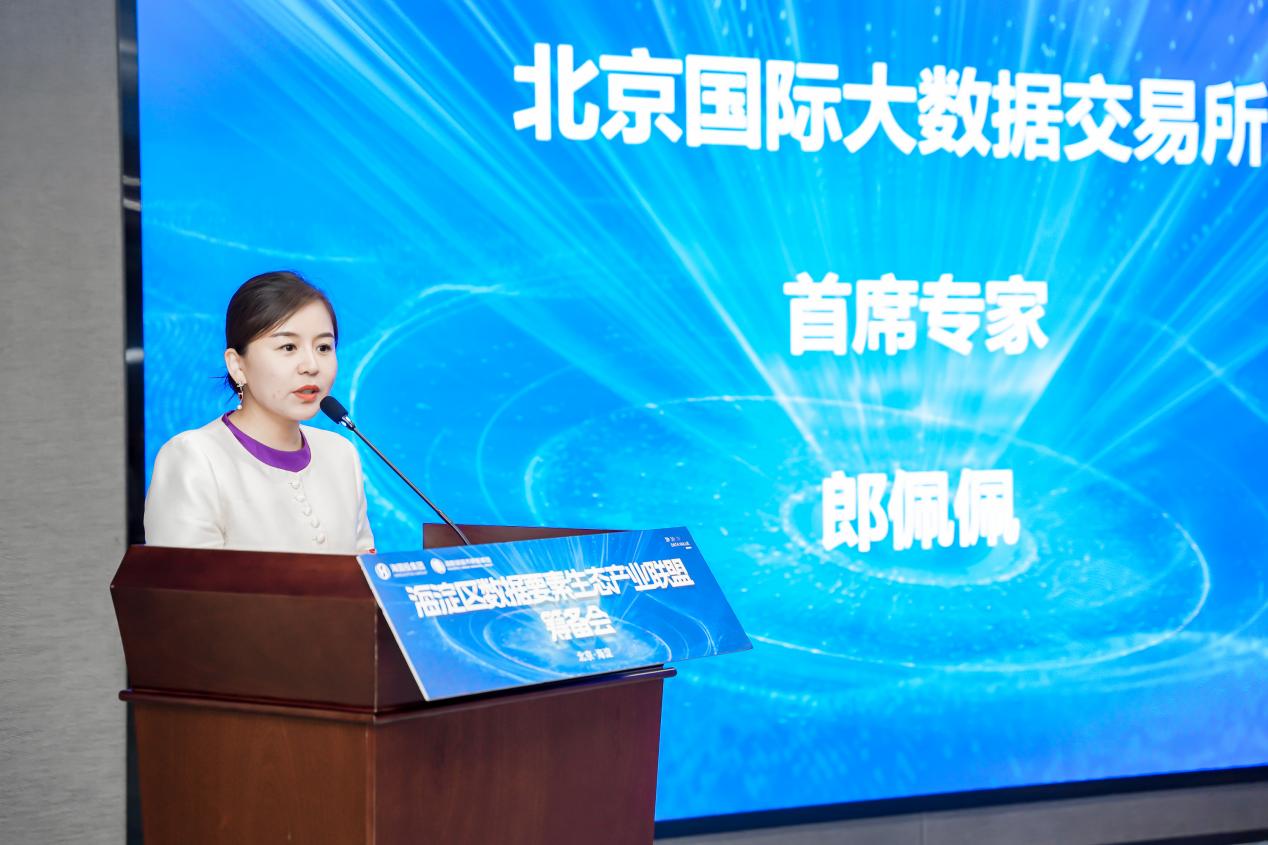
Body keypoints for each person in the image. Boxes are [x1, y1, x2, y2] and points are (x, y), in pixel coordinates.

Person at [144, 270, 375, 553]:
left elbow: (368, 573)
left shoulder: (341, 455)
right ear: (237, 365)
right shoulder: (195, 458)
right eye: (288, 347)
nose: (312, 366)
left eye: (324, 347)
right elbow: (185, 581)